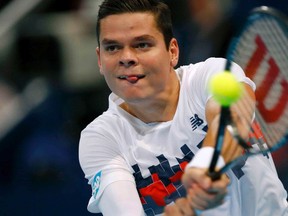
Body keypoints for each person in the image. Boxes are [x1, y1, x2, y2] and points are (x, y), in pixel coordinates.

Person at [78, 0, 288, 215]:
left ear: (172, 52)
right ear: (100, 60)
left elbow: (233, 118)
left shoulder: (211, 74)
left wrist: (207, 165)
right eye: (112, 47)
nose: (127, 58)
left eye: (142, 45)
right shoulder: (100, 138)